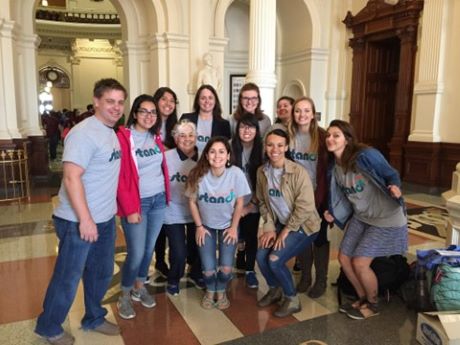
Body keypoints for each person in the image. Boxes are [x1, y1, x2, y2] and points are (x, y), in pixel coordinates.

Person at [35, 78, 127, 345]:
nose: (116, 107)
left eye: (120, 102)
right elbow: (72, 178)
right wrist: (85, 220)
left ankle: (94, 316)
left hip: (105, 218)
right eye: (110, 101)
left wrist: (109, 215)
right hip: (77, 220)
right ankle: (49, 326)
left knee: (100, 272)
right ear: (96, 101)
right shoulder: (84, 133)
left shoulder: (110, 131)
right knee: (68, 277)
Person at [324, 119, 407, 320]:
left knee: (360, 262)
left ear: (347, 139)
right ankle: (362, 297)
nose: (330, 139)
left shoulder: (366, 156)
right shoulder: (334, 166)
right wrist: (332, 211)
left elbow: (391, 174)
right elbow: (340, 195)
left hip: (386, 218)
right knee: (344, 258)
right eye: (328, 135)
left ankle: (373, 303)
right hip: (362, 217)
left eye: (336, 135)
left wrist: (395, 187)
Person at [256, 128, 320, 318]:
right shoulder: (262, 172)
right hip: (279, 223)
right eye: (270, 145)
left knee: (274, 260)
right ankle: (275, 290)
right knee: (261, 256)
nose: (274, 149)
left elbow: (306, 206)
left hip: (304, 225)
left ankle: (292, 299)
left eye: (279, 145)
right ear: (265, 147)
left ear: (286, 147)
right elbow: (262, 202)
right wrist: (268, 227)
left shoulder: (298, 172)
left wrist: (284, 232)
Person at [116, 94, 170, 320]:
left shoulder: (155, 137)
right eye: (144, 111)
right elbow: (119, 176)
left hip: (158, 200)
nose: (149, 116)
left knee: (148, 250)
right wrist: (130, 208)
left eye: (153, 112)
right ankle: (125, 294)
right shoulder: (123, 137)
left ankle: (139, 286)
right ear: (135, 113)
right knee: (136, 252)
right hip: (137, 204)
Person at [186, 137, 251, 310]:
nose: (217, 156)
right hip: (205, 226)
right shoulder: (197, 174)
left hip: (228, 226)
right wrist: (199, 227)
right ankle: (210, 290)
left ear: (228, 156)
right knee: (208, 269)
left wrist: (234, 227)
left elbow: (239, 202)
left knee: (227, 269)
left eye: (222, 151)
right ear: (206, 155)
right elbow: (192, 202)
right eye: (213, 151)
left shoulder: (236, 174)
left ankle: (220, 289)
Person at [288, 97, 330, 298]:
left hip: (319, 195)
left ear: (313, 114)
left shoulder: (322, 137)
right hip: (296, 197)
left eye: (306, 111)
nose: (302, 115)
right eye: (297, 111)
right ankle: (305, 277)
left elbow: (329, 170)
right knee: (301, 237)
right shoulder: (289, 136)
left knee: (320, 238)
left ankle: (321, 279)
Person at [163, 120, 204, 295]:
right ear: (175, 138)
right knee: (178, 252)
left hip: (197, 211)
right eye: (182, 135)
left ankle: (195, 273)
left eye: (191, 135)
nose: (187, 139)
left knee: (198, 247)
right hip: (173, 211)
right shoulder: (166, 157)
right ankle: (174, 278)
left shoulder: (205, 156)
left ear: (196, 137)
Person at [231, 114, 264, 289]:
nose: (246, 131)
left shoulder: (262, 150)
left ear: (257, 130)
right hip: (233, 202)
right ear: (237, 129)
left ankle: (250, 270)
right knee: (235, 234)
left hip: (253, 201)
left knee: (251, 236)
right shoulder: (230, 146)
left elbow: (265, 182)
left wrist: (252, 204)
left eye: (250, 127)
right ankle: (232, 263)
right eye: (243, 127)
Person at [151, 87, 179, 281]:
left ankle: (165, 260)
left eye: (172, 100)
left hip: (171, 179)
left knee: (168, 220)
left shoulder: (177, 126)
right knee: (156, 224)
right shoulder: (148, 122)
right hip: (151, 179)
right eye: (164, 99)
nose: (168, 103)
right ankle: (159, 260)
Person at [181, 84, 231, 154]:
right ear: (198, 101)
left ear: (215, 101)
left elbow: (225, 150)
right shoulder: (186, 118)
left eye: (210, 98)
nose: (207, 101)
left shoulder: (224, 124)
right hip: (187, 161)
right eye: (203, 98)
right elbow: (178, 141)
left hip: (213, 163)